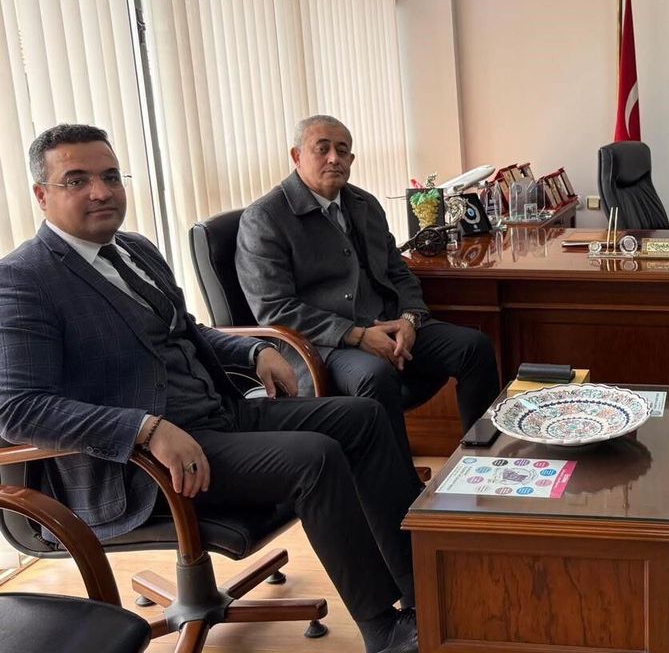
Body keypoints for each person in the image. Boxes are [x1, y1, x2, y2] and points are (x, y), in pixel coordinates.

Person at [0, 124, 421, 653]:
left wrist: (253, 352)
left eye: (110, 176)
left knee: (363, 416)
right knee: (316, 458)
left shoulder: (134, 249)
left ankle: (419, 587)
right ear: (41, 195)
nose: (101, 192)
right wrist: (144, 429)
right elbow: (17, 409)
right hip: (140, 465)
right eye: (77, 180)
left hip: (216, 413)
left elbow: (186, 329)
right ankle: (383, 629)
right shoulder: (24, 279)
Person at [237, 115, 501, 461]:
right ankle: (399, 487)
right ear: (297, 156)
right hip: (323, 345)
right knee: (376, 376)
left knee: (473, 347)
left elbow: (398, 271)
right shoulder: (265, 218)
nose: (334, 158)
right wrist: (357, 335)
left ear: (352, 159)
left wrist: (409, 318)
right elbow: (275, 309)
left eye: (342, 150)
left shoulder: (364, 204)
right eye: (322, 149)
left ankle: (483, 463)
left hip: (388, 325)